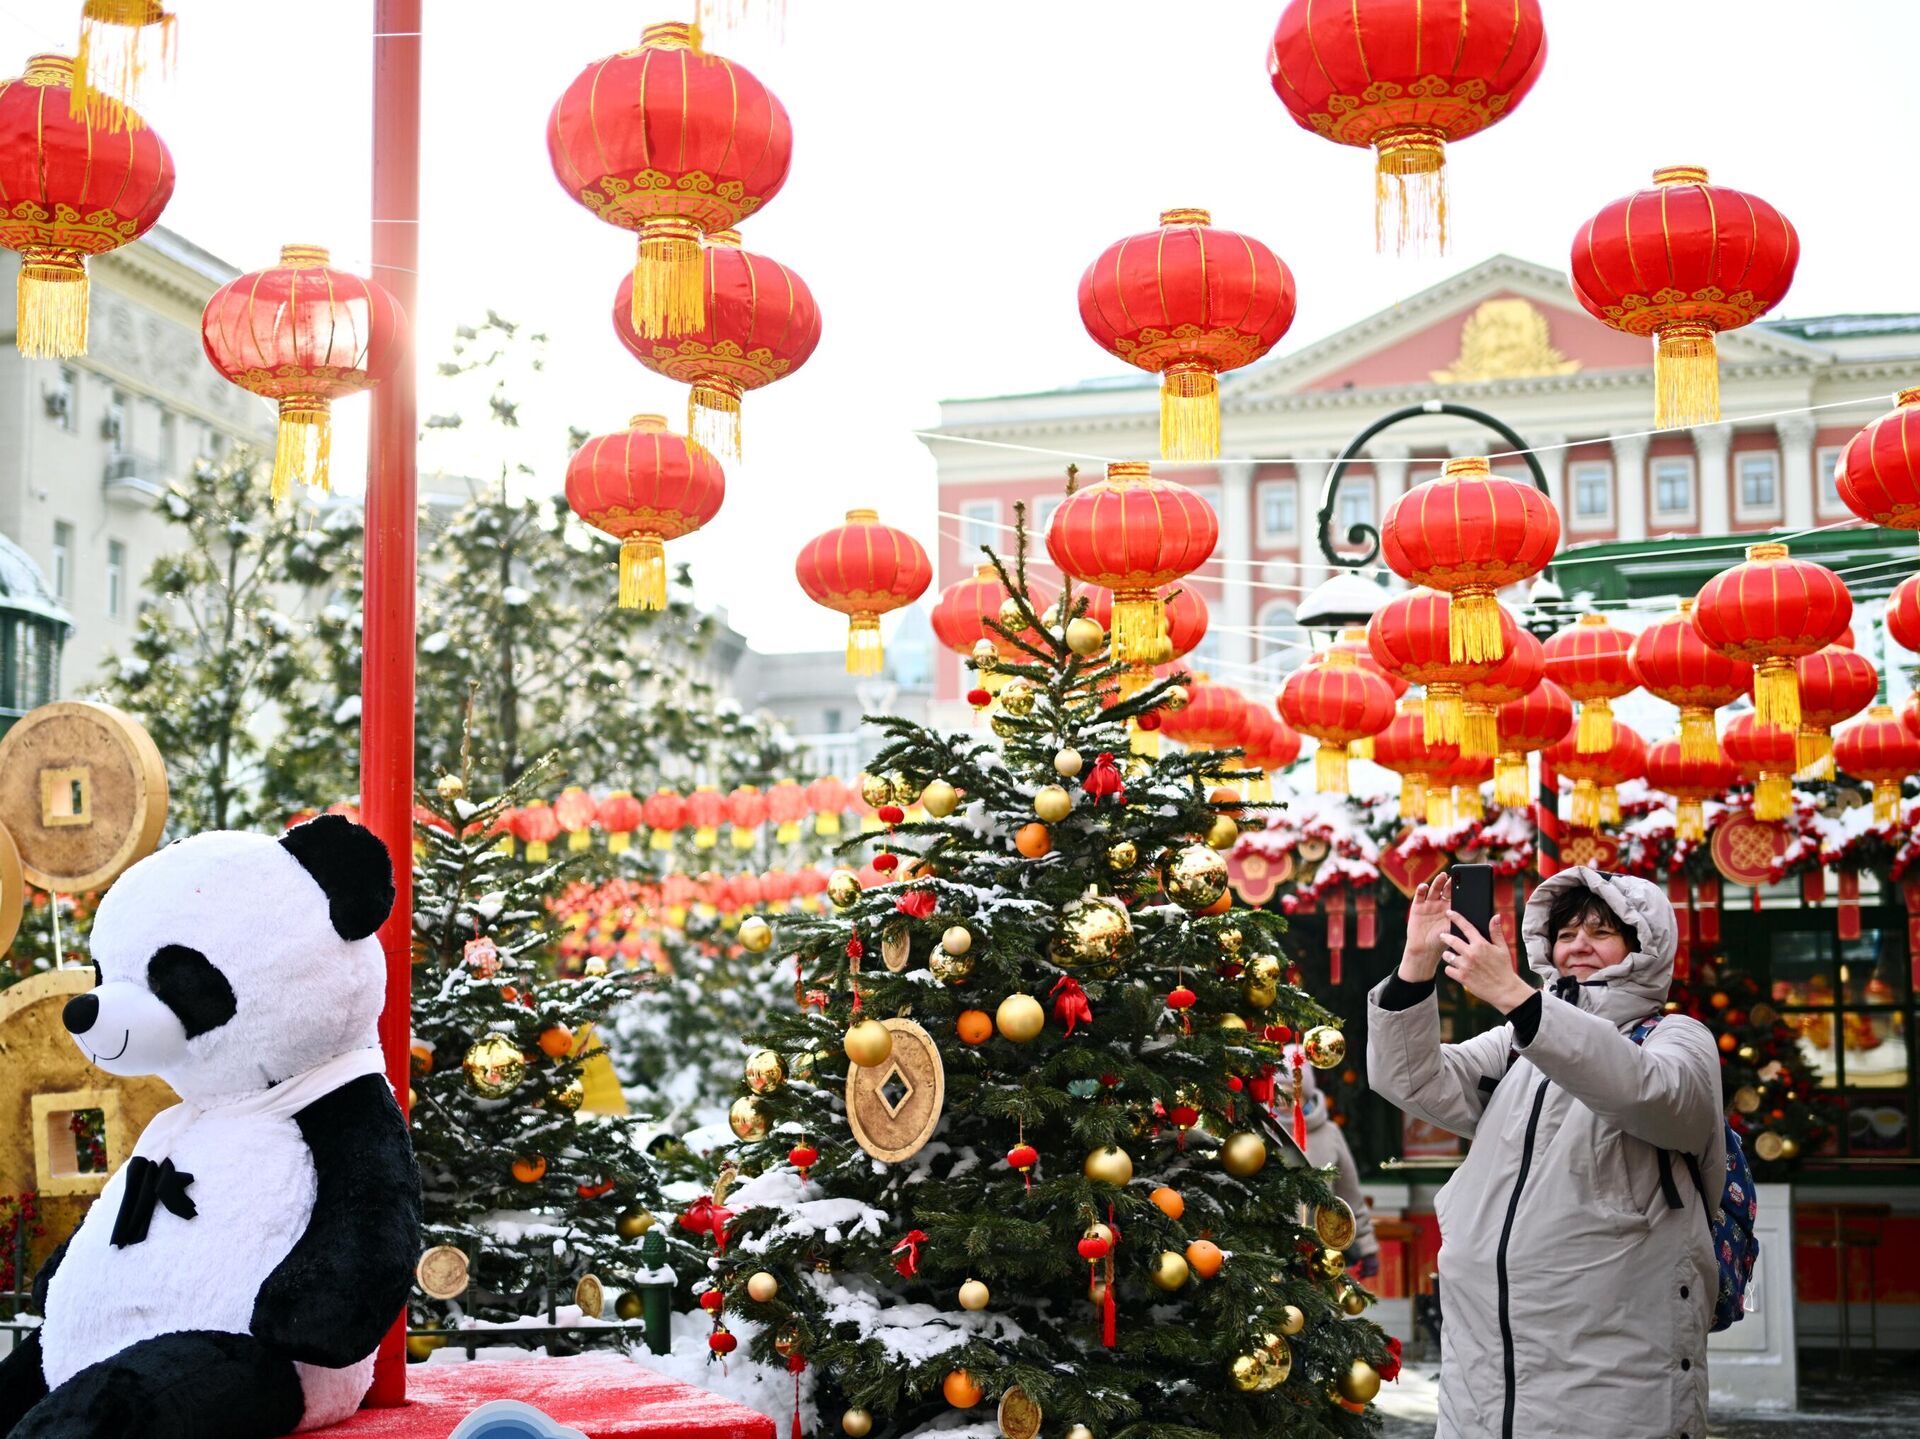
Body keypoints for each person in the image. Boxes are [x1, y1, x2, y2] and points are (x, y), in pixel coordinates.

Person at [1367, 867, 1723, 1439]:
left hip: (1609, 1363)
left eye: (1602, 932)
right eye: (1566, 933)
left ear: (1644, 948)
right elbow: (1411, 1079)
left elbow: (1648, 1095)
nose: (1578, 944)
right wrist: (1416, 967)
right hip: (1485, 1361)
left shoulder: (1676, 1040)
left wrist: (1515, 996)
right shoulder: (1516, 1043)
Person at [1285, 1043, 1381, 1278]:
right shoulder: (1259, 1135)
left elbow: (1349, 1195)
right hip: (1269, 1254)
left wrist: (1367, 1246)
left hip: (1321, 1255)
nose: (1280, 1100)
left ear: (1303, 1094)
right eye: (1275, 1091)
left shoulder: (1329, 1133)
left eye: (1289, 1093)